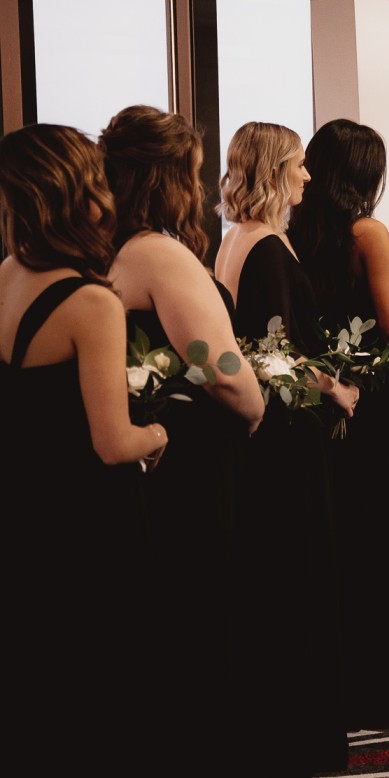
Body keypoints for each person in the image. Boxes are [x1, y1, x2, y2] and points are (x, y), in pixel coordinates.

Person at [98, 105, 266, 760]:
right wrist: (254, 409)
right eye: (191, 174)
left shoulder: (99, 249)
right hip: (189, 459)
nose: (197, 190)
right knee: (199, 609)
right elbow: (218, 365)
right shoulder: (158, 254)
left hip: (142, 458)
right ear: (167, 178)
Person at [0, 123, 168, 765]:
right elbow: (110, 442)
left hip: (24, 515)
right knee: (109, 690)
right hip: (87, 525)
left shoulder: (8, 275)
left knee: (43, 690)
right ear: (83, 195)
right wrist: (157, 434)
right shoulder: (90, 301)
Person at [288, 118, 389, 729]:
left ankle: (342, 679)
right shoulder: (369, 232)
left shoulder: (294, 232)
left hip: (321, 393)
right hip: (374, 398)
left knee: (341, 532)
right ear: (364, 172)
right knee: (385, 530)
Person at [215, 121, 357, 776]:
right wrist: (334, 388)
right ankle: (298, 736)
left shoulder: (236, 239)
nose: (307, 176)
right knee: (296, 576)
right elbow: (275, 354)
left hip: (262, 436)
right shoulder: (268, 248)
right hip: (286, 439)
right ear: (273, 172)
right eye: (297, 165)